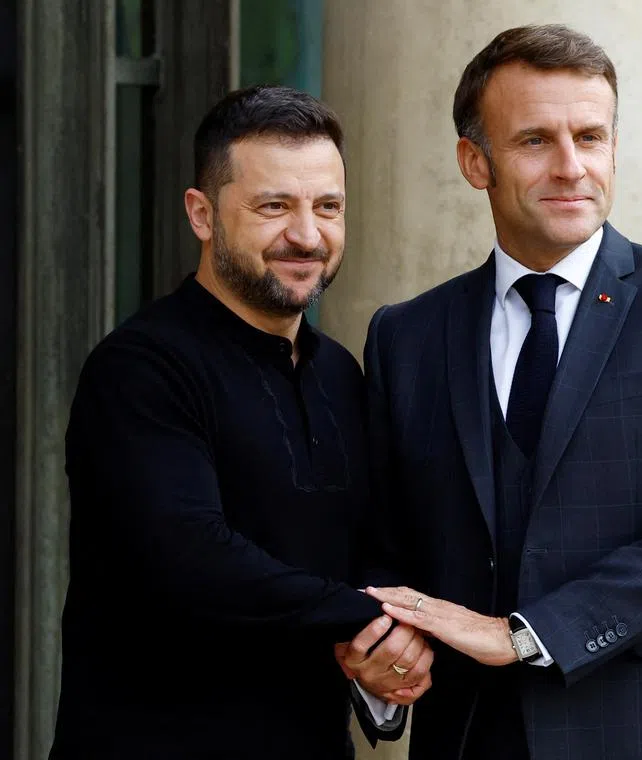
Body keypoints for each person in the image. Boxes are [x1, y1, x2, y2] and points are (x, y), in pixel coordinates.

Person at [346, 23, 642, 760]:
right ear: (475, 162)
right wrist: (384, 655)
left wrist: (524, 635)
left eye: (592, 136)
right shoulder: (406, 336)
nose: (572, 166)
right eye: (536, 141)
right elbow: (389, 547)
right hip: (474, 736)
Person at [50, 85, 431, 760]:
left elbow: (375, 545)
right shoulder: (141, 368)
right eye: (274, 206)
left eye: (328, 207)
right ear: (202, 214)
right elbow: (189, 559)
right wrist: (373, 618)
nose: (307, 235)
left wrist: (389, 642)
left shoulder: (341, 373)